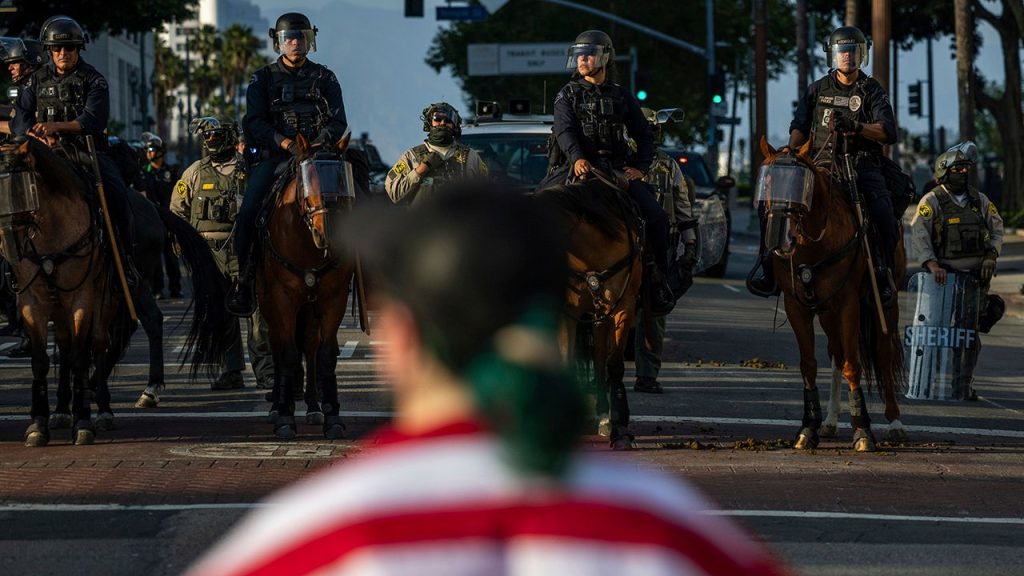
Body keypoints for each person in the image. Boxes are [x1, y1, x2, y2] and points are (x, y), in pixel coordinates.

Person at [185, 184, 787, 576]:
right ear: (554, 314)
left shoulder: (316, 535)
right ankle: (245, 278)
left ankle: (654, 278)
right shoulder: (670, 528)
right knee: (254, 207)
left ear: (399, 338)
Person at [749, 25, 898, 304]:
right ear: (833, 55)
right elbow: (799, 127)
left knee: (883, 213)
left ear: (861, 55)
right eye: (842, 52)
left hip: (860, 166)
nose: (847, 57)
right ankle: (768, 264)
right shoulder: (817, 89)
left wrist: (857, 126)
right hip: (818, 164)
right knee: (769, 203)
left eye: (853, 51)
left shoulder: (871, 89)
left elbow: (888, 131)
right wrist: (791, 155)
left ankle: (882, 271)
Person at [544, 29, 674, 315]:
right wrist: (577, 158)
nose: (582, 60)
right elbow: (564, 131)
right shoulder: (566, 95)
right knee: (541, 205)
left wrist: (639, 168)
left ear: (604, 58)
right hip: (574, 168)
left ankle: (659, 280)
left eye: (588, 54)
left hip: (615, 171)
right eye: (579, 55)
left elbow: (644, 135)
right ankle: (535, 283)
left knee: (656, 216)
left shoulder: (622, 96)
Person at [227, 12, 348, 316]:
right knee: (249, 211)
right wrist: (285, 143)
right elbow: (254, 121)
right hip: (279, 156)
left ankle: (360, 272)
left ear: (310, 40)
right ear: (278, 42)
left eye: (301, 37)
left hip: (319, 155)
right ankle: (244, 280)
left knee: (354, 197)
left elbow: (338, 121)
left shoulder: (326, 77)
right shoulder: (262, 78)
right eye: (288, 38)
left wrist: (317, 143)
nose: (295, 43)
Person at [12, 15, 139, 283]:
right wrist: (32, 134)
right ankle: (12, 266)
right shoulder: (35, 80)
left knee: (118, 198)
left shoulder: (94, 80)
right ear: (48, 50)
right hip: (40, 151)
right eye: (56, 49)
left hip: (85, 151)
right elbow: (21, 116)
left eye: (69, 48)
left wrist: (54, 127)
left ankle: (125, 262)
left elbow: (93, 120)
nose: (62, 53)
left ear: (78, 49)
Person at [171, 117, 275, 391]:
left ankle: (266, 372)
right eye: (208, 137)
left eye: (217, 136)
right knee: (220, 315)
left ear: (229, 136)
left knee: (257, 315)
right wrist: (183, 243)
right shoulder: (194, 172)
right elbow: (177, 211)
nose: (212, 141)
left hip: (245, 250)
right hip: (209, 255)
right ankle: (231, 372)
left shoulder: (249, 169)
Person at [910, 141, 1003, 400]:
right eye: (958, 168)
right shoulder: (932, 200)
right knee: (935, 333)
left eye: (966, 168)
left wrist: (990, 257)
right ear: (944, 171)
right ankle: (925, 384)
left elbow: (996, 230)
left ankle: (962, 387)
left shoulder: (980, 200)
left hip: (974, 280)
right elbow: (919, 234)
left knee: (968, 334)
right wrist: (932, 264)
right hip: (942, 280)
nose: (963, 173)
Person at [634, 107, 697, 393]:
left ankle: (647, 375)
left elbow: (683, 208)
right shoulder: (618, 164)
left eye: (652, 130)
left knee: (654, 313)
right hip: (623, 250)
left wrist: (691, 245)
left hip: (660, 252)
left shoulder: (668, 166)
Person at [384, 101, 487, 205]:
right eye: (437, 119)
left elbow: (487, 194)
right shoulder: (412, 156)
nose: (442, 123)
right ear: (429, 123)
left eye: (448, 120)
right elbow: (394, 193)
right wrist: (420, 170)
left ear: (454, 126)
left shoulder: (470, 157)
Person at [135, 133, 182, 299]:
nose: (150, 153)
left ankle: (176, 288)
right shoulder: (143, 173)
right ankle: (158, 289)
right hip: (152, 219)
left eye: (153, 150)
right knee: (154, 257)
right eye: (148, 150)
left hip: (168, 219)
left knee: (171, 256)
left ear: (161, 151)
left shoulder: (171, 171)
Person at [0, 38, 46, 136]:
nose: (10, 67)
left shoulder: (41, 86)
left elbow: (21, 126)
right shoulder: (28, 87)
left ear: (32, 66)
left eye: (15, 62)